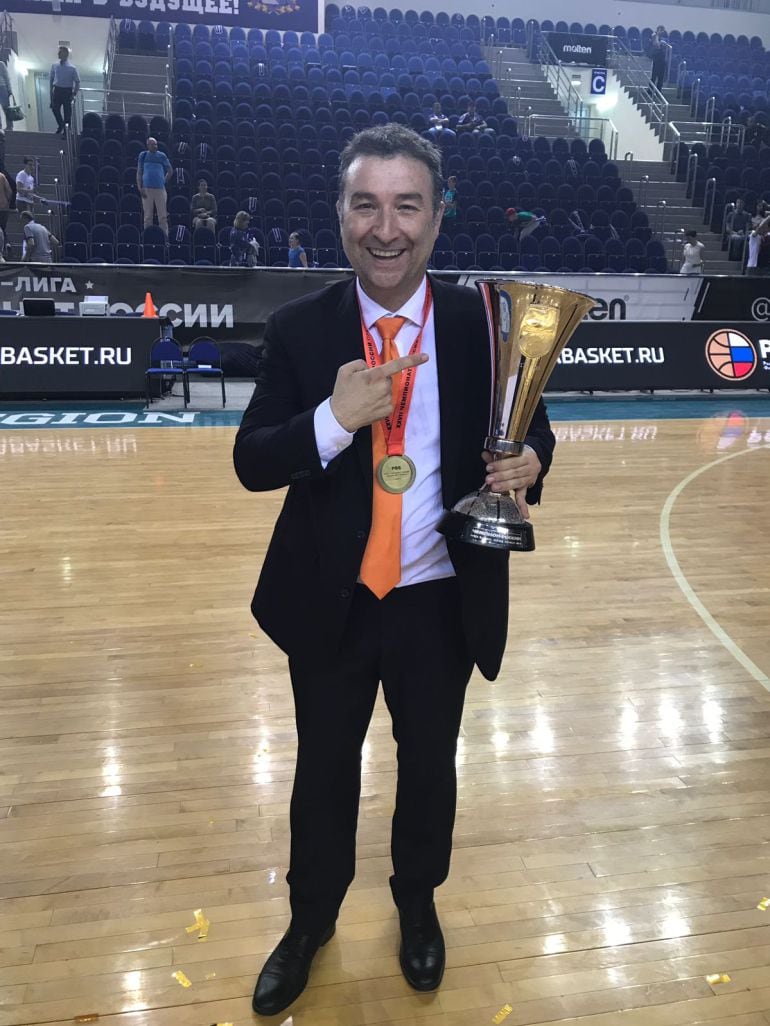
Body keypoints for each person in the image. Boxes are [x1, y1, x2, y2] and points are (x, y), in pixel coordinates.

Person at [234, 124, 555, 1018]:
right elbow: (253, 459)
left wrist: (531, 460)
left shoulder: (479, 320)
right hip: (332, 603)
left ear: (436, 216)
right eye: (366, 204)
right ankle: (310, 921)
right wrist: (332, 423)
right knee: (324, 771)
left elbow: (533, 422)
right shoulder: (303, 330)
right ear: (340, 215)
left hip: (439, 601)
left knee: (430, 768)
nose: (386, 227)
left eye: (406, 205)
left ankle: (417, 902)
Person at [136, 137, 172, 239]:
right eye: (152, 144)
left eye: (156, 144)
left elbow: (170, 171)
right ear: (148, 145)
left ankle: (165, 238)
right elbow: (139, 173)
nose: (154, 146)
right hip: (147, 189)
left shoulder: (162, 156)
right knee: (148, 216)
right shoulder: (143, 156)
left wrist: (163, 181)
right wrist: (140, 187)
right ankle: (148, 237)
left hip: (160, 189)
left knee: (163, 216)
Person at [49, 46, 80, 136]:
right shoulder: (54, 66)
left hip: (67, 91)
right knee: (54, 109)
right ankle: (61, 125)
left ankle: (66, 133)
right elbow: (51, 80)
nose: (58, 54)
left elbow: (77, 82)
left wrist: (74, 94)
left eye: (60, 52)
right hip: (57, 90)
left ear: (65, 54)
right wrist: (51, 93)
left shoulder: (72, 68)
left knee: (67, 113)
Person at [650, 26, 668, 91]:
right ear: (658, 30)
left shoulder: (664, 38)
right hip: (656, 58)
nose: (662, 32)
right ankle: (650, 90)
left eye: (663, 31)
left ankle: (659, 90)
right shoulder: (654, 35)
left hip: (662, 58)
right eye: (661, 31)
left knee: (661, 77)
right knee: (654, 76)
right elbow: (656, 45)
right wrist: (661, 43)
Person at [0, 55, 14, 133]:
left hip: (2, 87)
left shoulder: (1, 64)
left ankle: (10, 126)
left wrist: (9, 89)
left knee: (6, 108)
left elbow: (7, 77)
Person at [0, 166, 11, 237]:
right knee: (2, 228)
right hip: (3, 207)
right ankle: (5, 244)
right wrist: (7, 202)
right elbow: (9, 192)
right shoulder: (2, 176)